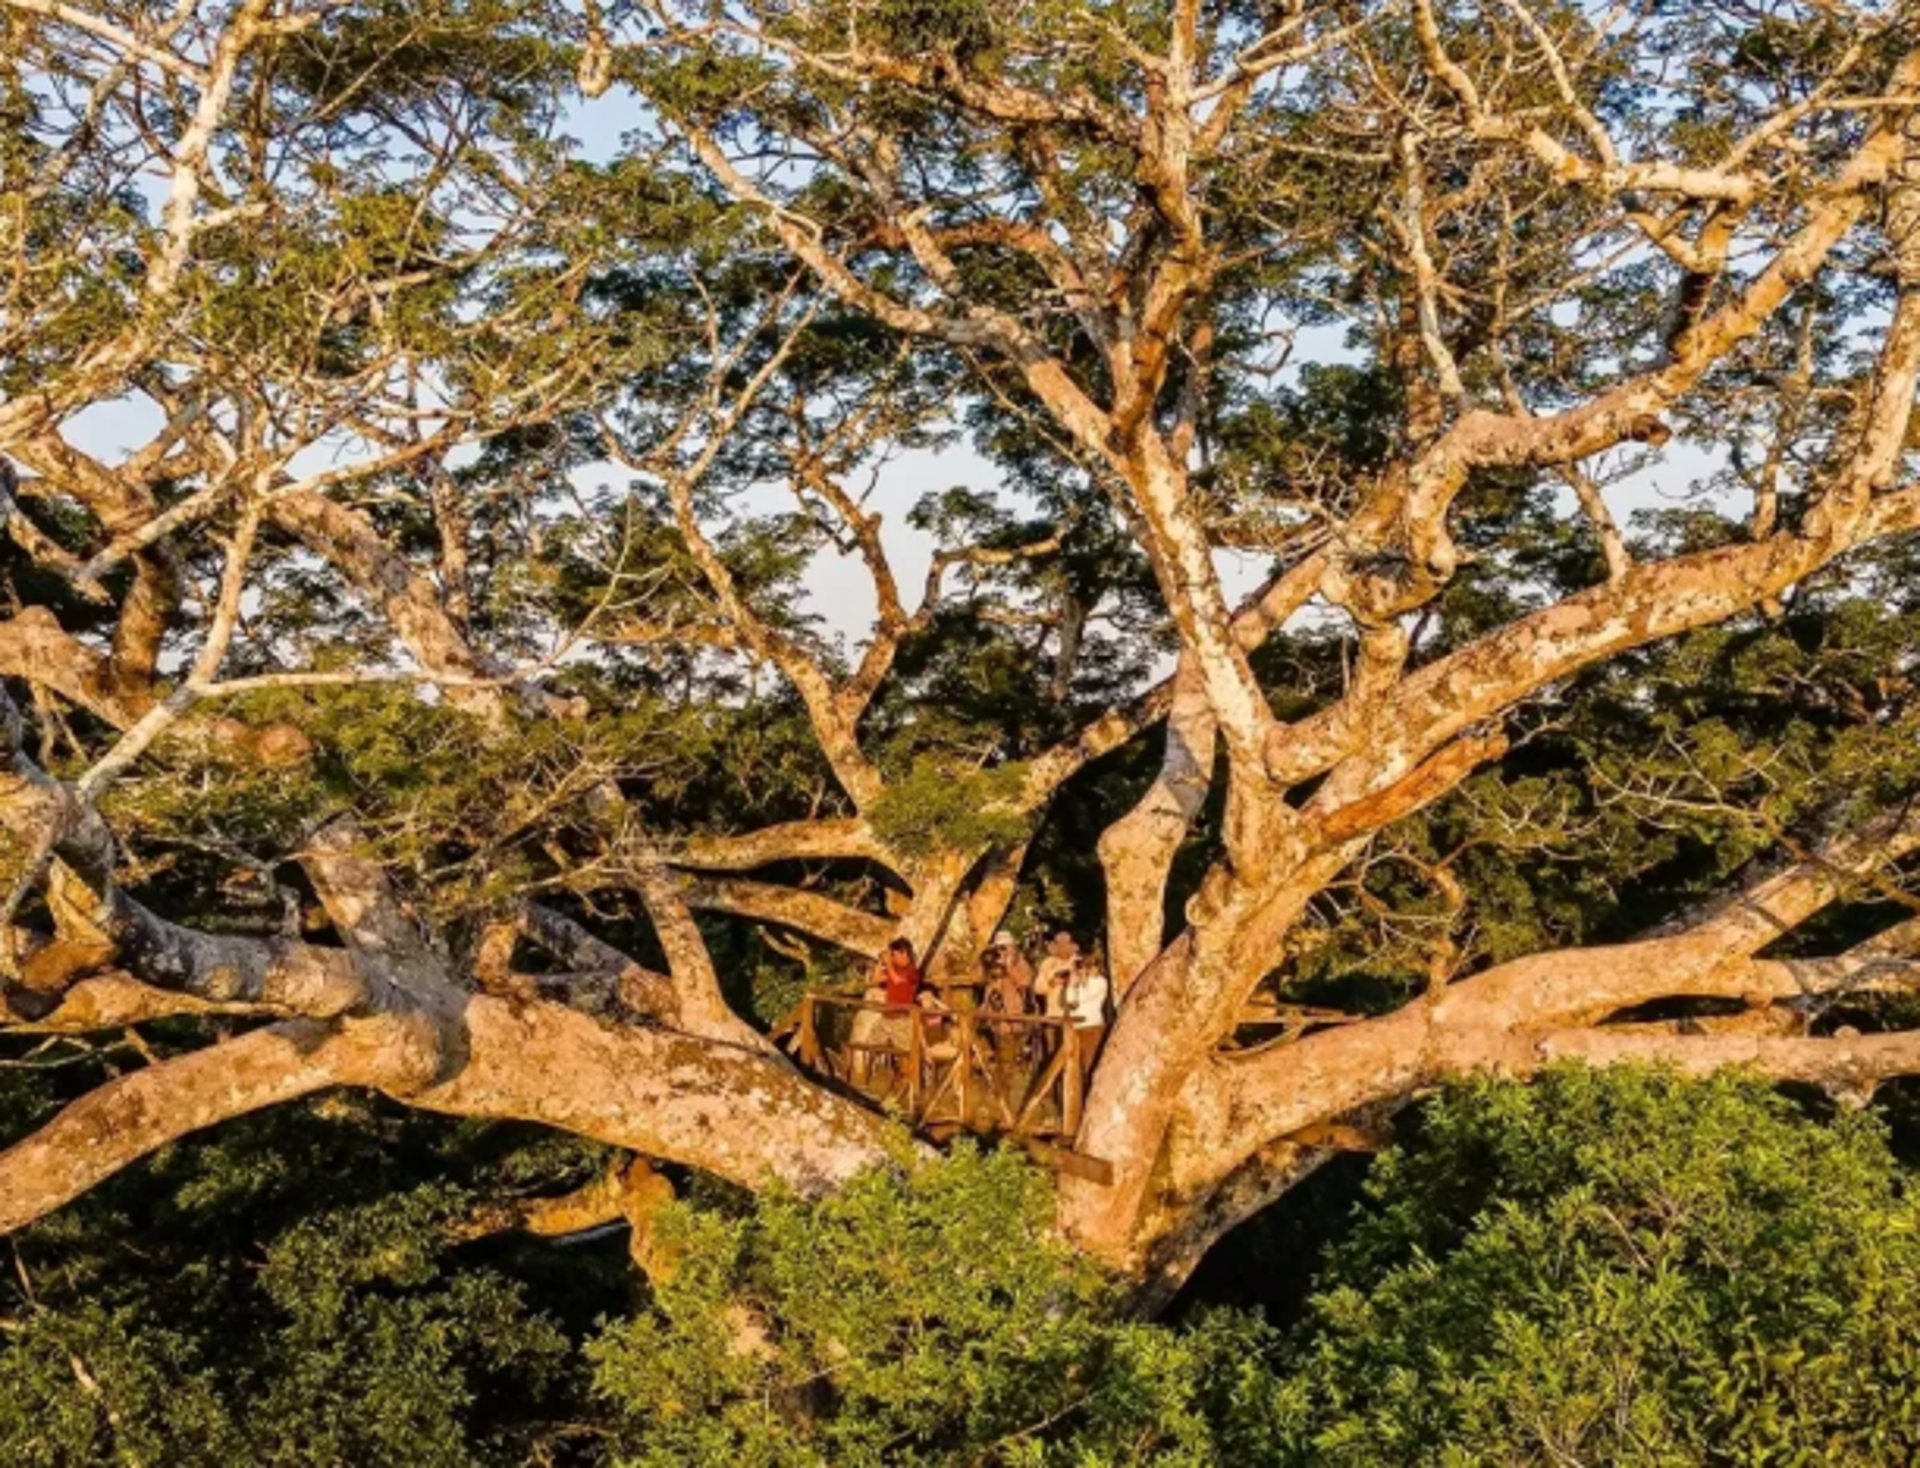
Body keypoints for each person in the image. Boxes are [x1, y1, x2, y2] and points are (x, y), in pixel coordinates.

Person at [1063, 947, 1109, 1079]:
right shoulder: (1078, 982)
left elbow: (1086, 996)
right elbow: (1070, 1001)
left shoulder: (1100, 982)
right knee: (1076, 1068)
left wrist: (1082, 980)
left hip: (1091, 1027)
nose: (1085, 969)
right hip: (1076, 1028)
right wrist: (1071, 984)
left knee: (1090, 1064)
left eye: (1088, 966)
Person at [1034, 932, 1078, 1020]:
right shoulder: (1047, 963)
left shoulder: (1078, 962)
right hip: (1055, 1013)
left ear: (1071, 945)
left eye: (1066, 943)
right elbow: (1038, 988)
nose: (1063, 947)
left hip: (1077, 1014)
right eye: (1060, 944)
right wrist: (1051, 983)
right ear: (1055, 946)